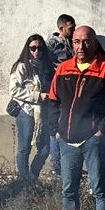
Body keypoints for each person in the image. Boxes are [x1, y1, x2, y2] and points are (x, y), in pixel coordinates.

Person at [47, 25, 105, 210]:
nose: (81, 46)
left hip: (92, 139)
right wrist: (54, 128)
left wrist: (102, 130)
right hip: (66, 139)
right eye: (77, 41)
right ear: (72, 43)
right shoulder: (63, 69)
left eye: (86, 41)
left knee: (99, 188)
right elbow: (53, 101)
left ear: (95, 43)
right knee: (69, 190)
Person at [8, 34, 55, 182]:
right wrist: (37, 96)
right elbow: (13, 90)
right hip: (26, 111)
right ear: (28, 49)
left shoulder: (48, 67)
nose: (36, 51)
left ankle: (32, 176)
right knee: (24, 147)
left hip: (44, 113)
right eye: (33, 48)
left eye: (40, 48)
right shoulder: (22, 66)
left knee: (45, 148)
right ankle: (24, 180)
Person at [46, 14, 76, 176]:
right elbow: (46, 66)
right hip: (58, 88)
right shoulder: (51, 44)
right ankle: (56, 166)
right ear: (61, 28)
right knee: (55, 127)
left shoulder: (73, 42)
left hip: (71, 89)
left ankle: (67, 163)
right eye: (71, 28)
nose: (74, 31)